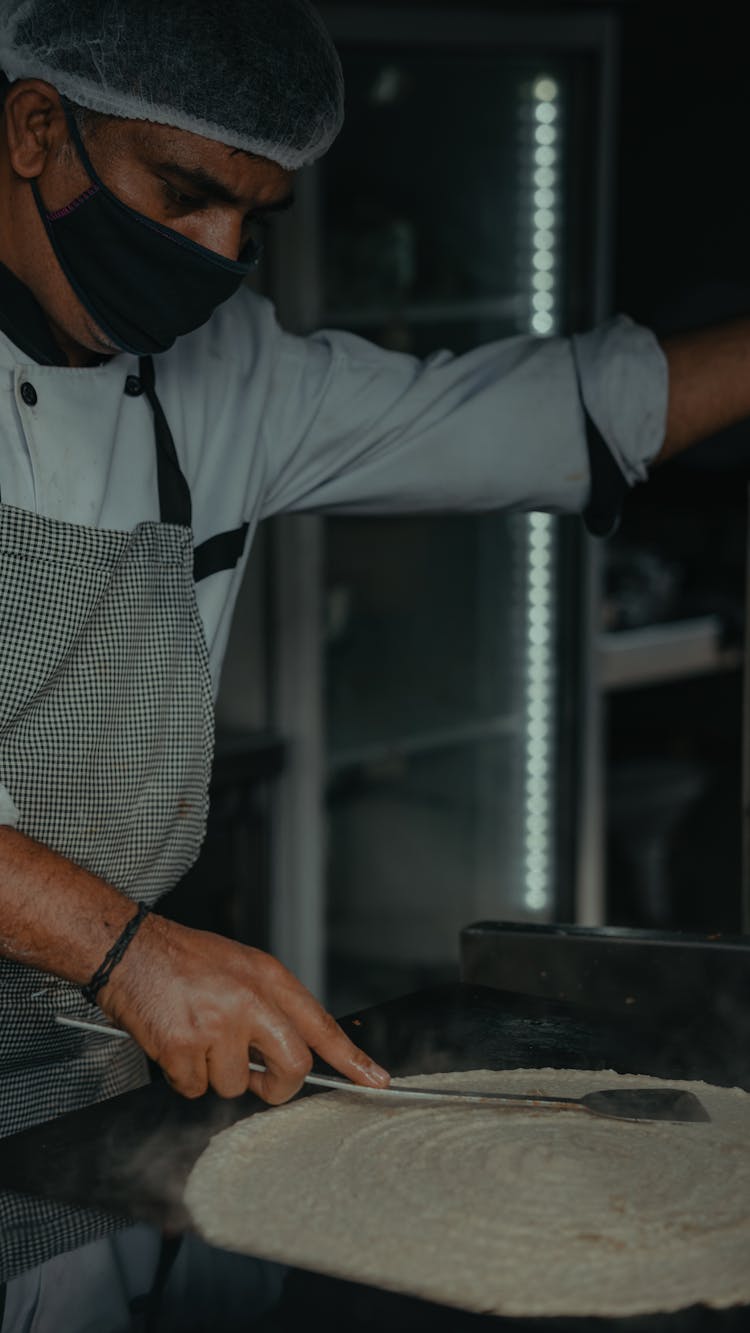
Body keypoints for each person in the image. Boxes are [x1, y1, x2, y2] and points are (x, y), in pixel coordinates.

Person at [0, 0, 748, 1328]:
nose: (223, 258)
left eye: (256, 216)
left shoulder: (223, 375)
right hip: (119, 987)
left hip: (88, 1086)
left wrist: (134, 971)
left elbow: (554, 409)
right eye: (184, 195)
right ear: (36, 126)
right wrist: (136, 951)